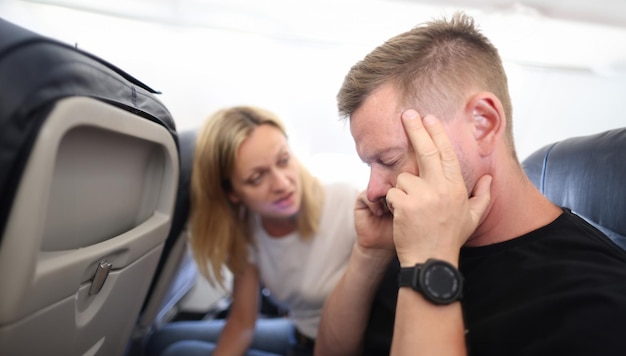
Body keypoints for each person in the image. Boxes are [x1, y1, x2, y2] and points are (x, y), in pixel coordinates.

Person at [314, 12, 626, 356]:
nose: (373, 191)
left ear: (483, 124)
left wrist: (429, 259)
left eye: (388, 160)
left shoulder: (593, 305)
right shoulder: (409, 228)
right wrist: (370, 253)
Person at [146, 106, 360, 356]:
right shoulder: (247, 227)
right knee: (159, 340)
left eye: (284, 160)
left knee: (178, 352)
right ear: (232, 193)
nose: (282, 184)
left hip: (328, 346)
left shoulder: (347, 202)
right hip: (298, 331)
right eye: (257, 178)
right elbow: (241, 323)